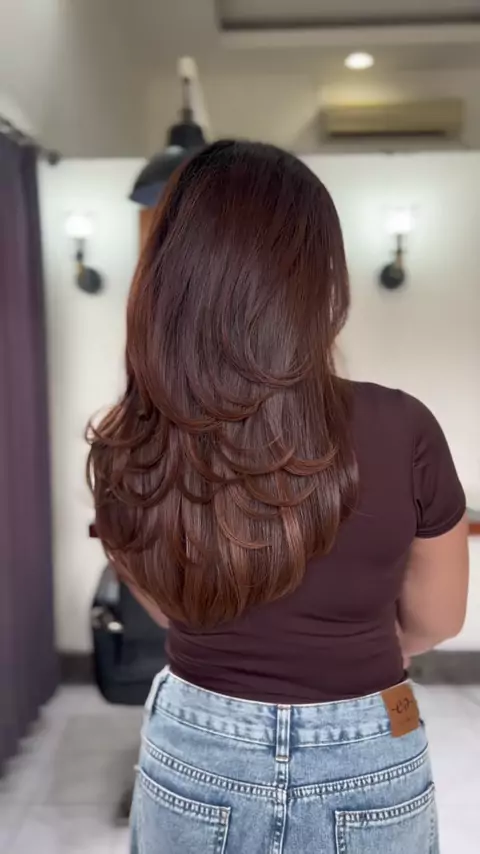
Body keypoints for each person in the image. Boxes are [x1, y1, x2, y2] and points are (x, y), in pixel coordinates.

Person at [87, 141, 469, 854]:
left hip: (195, 740)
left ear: (169, 278)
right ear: (320, 278)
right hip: (370, 740)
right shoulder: (403, 426)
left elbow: (166, 603)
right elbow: (439, 618)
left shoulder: (127, 442)